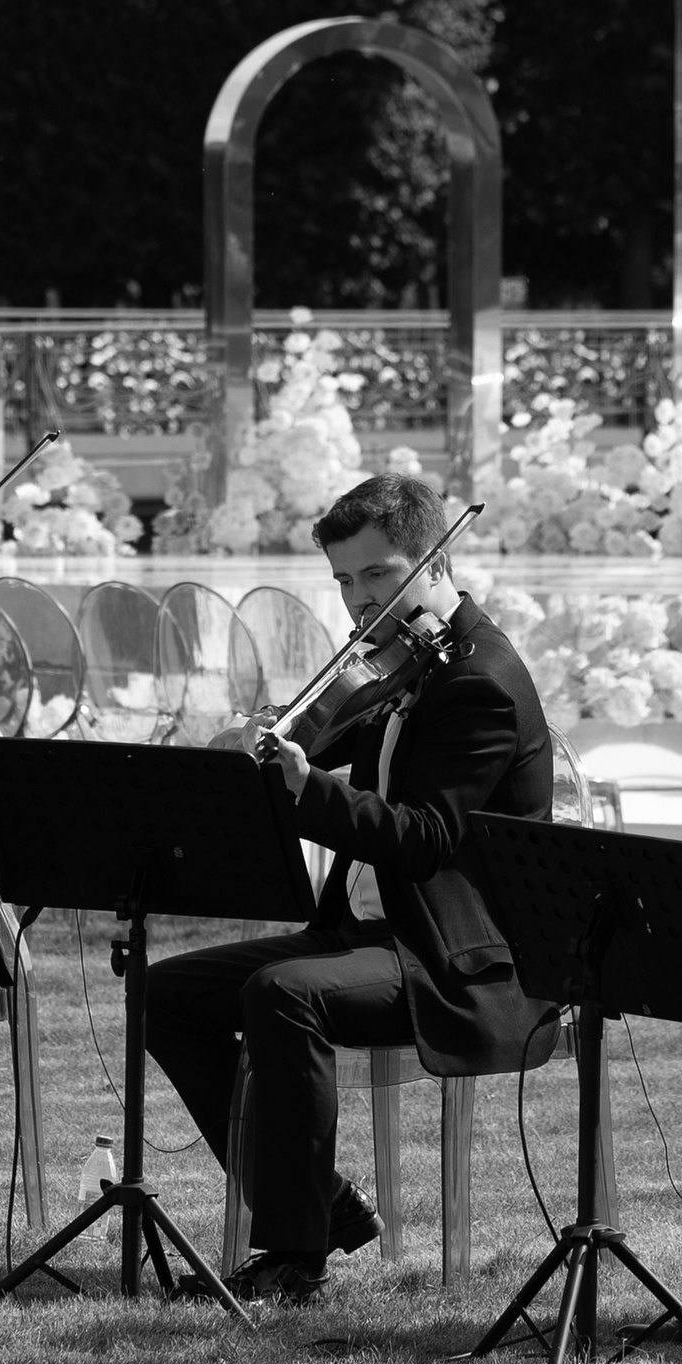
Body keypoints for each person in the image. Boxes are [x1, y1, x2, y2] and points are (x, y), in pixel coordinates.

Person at [142, 470, 553, 1303]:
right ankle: (325, 1204)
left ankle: (295, 1256)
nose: (359, 601)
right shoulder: (405, 662)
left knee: (283, 993)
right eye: (343, 582)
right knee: (165, 993)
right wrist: (258, 755)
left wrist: (305, 788)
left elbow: (427, 841)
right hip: (371, 934)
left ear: (435, 558)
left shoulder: (478, 680)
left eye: (376, 575)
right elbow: (326, 762)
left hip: (458, 956)